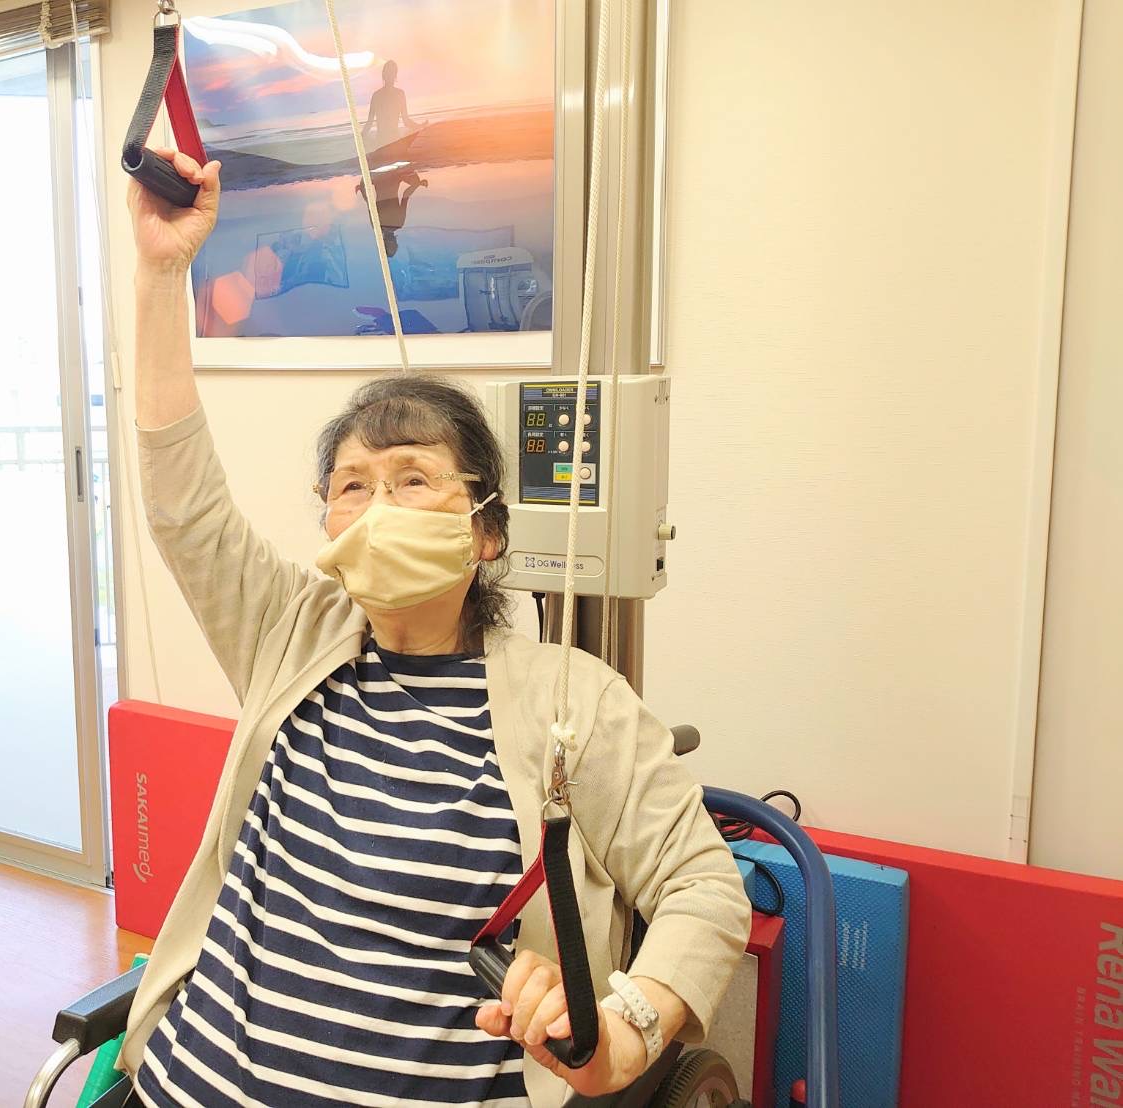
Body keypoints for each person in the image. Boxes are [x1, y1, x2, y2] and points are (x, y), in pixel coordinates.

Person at [118, 149, 751, 1108]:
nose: (376, 509)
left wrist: (631, 1024)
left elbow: (701, 883)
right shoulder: (287, 633)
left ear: (485, 531)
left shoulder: (571, 700)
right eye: (350, 486)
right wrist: (162, 273)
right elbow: (182, 502)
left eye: (412, 478)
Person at [365, 60, 420, 149]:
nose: (390, 76)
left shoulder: (380, 95)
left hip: (386, 141)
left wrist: (419, 126)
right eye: (389, 73)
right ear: (384, 75)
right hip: (388, 141)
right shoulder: (395, 94)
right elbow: (369, 122)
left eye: (392, 73)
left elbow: (369, 122)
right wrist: (361, 136)